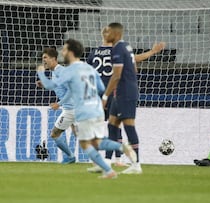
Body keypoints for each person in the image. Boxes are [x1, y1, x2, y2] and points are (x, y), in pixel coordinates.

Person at [37, 38, 137, 179]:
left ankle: (118, 152)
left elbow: (54, 85)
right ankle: (111, 166)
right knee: (93, 141)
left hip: (81, 110)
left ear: (71, 53)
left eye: (65, 50)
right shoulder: (88, 68)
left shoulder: (69, 71)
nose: (63, 52)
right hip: (94, 108)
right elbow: (101, 87)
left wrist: (41, 72)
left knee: (86, 143)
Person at [86, 27, 165, 170]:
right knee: (115, 127)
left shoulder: (94, 52)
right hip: (114, 91)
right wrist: (152, 52)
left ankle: (111, 160)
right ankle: (114, 160)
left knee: (106, 126)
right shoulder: (118, 50)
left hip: (102, 93)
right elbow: (135, 61)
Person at [101, 22, 142, 174]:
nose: (106, 35)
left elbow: (117, 74)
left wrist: (105, 95)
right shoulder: (126, 46)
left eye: (108, 32)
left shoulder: (118, 48)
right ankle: (106, 162)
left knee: (129, 126)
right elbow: (134, 68)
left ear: (116, 33)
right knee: (112, 125)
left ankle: (136, 165)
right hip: (121, 93)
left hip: (125, 93)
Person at [35, 48, 76, 164]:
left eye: (45, 58)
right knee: (79, 134)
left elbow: (71, 91)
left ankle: (70, 157)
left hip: (71, 109)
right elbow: (58, 87)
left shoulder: (61, 72)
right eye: (43, 58)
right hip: (73, 108)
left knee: (55, 133)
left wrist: (59, 104)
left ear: (53, 59)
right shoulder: (55, 72)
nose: (44, 61)